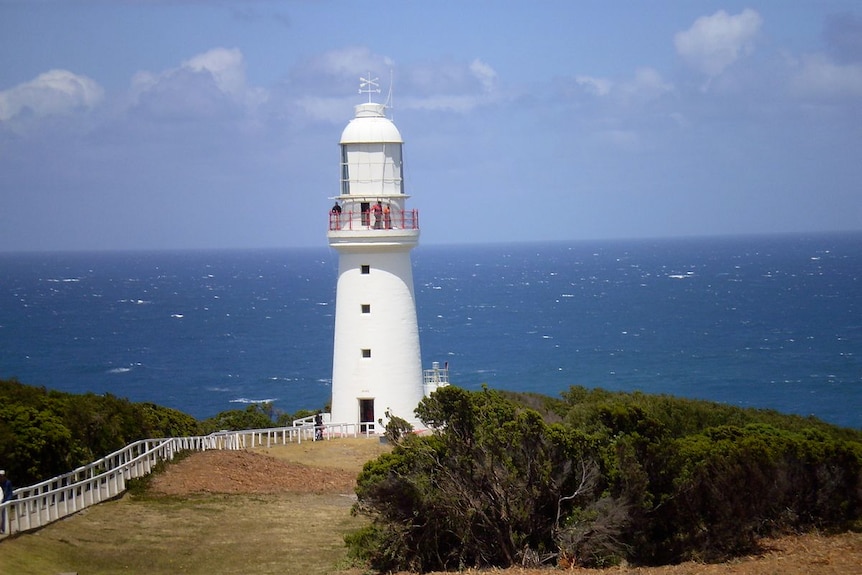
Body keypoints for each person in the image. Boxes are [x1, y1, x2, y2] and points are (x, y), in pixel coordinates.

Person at [0, 470, 12, 534]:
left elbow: (10, 492)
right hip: (0, 500)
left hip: (5, 500)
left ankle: (4, 528)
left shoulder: (8, 482)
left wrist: (8, 500)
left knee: (4, 515)